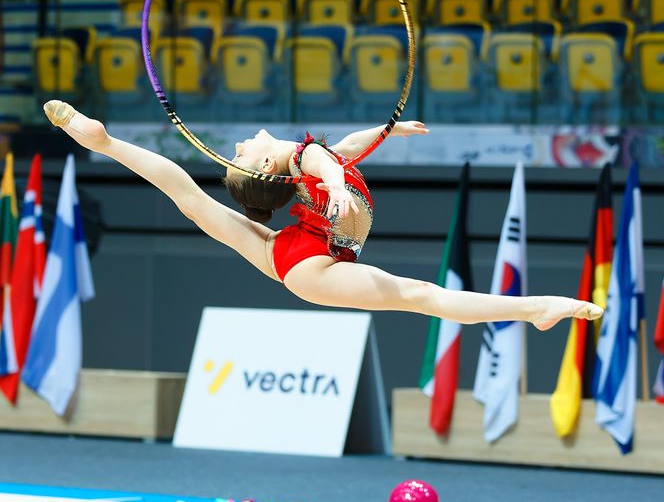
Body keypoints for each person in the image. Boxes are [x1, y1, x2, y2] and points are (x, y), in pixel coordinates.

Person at [43, 100, 603, 331]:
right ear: (268, 166)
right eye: (243, 152)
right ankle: (534, 309)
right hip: (312, 260)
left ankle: (104, 140)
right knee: (420, 296)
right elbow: (325, 163)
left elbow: (343, 150)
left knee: (191, 202)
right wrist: (333, 182)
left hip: (298, 254)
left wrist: (388, 131)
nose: (244, 141)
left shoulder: (319, 159)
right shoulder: (311, 161)